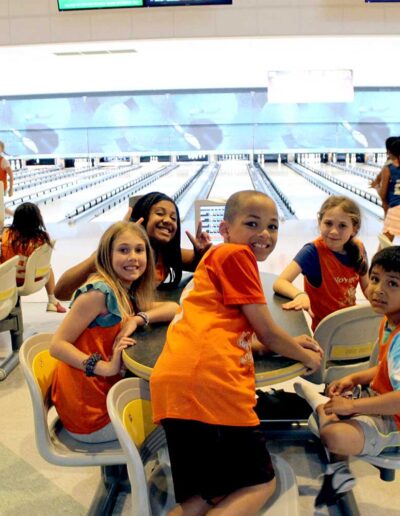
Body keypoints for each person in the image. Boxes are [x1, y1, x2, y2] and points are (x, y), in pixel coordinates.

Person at [150, 190, 322, 515]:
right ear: (226, 229)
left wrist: (286, 345)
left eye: (272, 227)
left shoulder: (217, 259)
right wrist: (307, 357)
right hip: (211, 389)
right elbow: (267, 331)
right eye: (252, 223)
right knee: (260, 483)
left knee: (202, 497)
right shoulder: (236, 256)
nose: (264, 234)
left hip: (180, 386)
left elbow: (233, 332)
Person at [50, 221, 179, 443]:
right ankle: (142, 472)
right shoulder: (99, 294)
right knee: (181, 419)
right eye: (123, 250)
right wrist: (105, 368)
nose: (133, 257)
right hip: (90, 416)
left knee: (176, 399)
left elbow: (174, 308)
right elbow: (57, 345)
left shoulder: (125, 290)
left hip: (104, 396)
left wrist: (139, 318)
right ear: (106, 256)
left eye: (139, 250)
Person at [294, 246, 400, 507]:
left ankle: (315, 403)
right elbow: (387, 369)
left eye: (393, 283)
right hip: (380, 399)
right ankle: (340, 475)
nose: (378, 289)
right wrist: (356, 379)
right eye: (375, 279)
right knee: (332, 408)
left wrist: (353, 406)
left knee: (333, 434)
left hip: (395, 419)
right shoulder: (390, 320)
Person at [54, 191, 212, 300]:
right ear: (143, 217)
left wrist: (200, 253)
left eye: (173, 217)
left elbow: (196, 265)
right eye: (159, 213)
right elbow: (61, 292)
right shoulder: (120, 256)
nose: (168, 220)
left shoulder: (164, 252)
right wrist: (108, 248)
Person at [273, 195, 369, 331]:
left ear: (354, 229)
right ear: (319, 222)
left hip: (350, 323)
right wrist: (299, 295)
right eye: (328, 223)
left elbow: (367, 287)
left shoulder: (359, 248)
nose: (334, 231)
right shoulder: (312, 252)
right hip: (326, 331)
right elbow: (280, 282)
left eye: (342, 226)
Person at [0, 202, 66, 313]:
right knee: (48, 267)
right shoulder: (42, 238)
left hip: (6, 280)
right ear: (37, 220)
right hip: (32, 279)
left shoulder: (6, 233)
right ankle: (52, 301)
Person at [377, 139, 400, 245]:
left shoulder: (388, 168)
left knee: (384, 244)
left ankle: (377, 261)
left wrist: (385, 205)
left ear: (390, 152)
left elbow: (382, 193)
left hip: (396, 209)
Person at [0, 141, 15, 217]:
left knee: (1, 207)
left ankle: (16, 215)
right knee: (1, 207)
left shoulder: (3, 161)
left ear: (2, 150)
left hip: (1, 187)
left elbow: (11, 176)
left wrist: (11, 188)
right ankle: (16, 216)